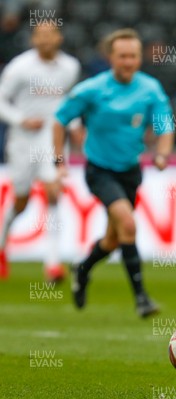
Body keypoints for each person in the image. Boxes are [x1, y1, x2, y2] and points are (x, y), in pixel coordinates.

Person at [53, 28, 174, 318]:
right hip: (99, 170)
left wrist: (162, 154)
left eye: (133, 56)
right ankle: (142, 299)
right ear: (111, 58)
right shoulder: (92, 89)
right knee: (128, 226)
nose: (128, 61)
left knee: (113, 239)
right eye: (122, 56)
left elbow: (165, 127)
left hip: (130, 172)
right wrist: (59, 161)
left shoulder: (150, 89)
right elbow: (59, 120)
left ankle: (82, 270)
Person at [0, 22, 80, 281]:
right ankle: (2, 246)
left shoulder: (70, 67)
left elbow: (69, 102)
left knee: (53, 192)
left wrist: (76, 125)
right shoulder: (20, 67)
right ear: (33, 39)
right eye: (40, 35)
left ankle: (53, 264)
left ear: (59, 38)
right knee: (21, 200)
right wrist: (21, 119)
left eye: (50, 35)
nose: (45, 40)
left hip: (52, 136)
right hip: (23, 139)